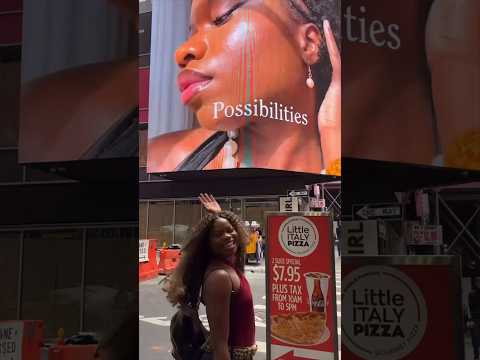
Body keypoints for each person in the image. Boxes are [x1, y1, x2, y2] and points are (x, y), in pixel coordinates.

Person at [148, 0, 341, 175]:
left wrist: (333, 136)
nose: (183, 51)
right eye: (192, 33)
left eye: (221, 18)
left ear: (308, 43)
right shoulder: (162, 160)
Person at [163, 193, 257, 360]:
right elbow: (220, 345)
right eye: (218, 234)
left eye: (230, 230)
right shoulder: (219, 277)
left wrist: (219, 214)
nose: (228, 236)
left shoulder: (229, 266)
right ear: (208, 244)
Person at [468, 277, 480, 360]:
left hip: (476, 317)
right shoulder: (472, 293)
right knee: (475, 338)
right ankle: (476, 354)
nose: (478, 283)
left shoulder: (472, 293)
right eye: (478, 281)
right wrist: (470, 319)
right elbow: (470, 306)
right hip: (475, 317)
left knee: (475, 337)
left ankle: (476, 354)